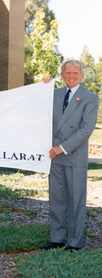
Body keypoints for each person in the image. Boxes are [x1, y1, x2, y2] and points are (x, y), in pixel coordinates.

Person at [42, 59, 99, 251]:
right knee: (56, 200)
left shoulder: (90, 98)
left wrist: (62, 147)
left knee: (76, 202)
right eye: (68, 73)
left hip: (73, 155)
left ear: (82, 75)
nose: (71, 76)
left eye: (75, 73)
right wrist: (41, 87)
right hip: (54, 156)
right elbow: (36, 107)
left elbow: (85, 130)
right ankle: (57, 239)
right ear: (62, 75)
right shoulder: (54, 94)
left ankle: (75, 243)